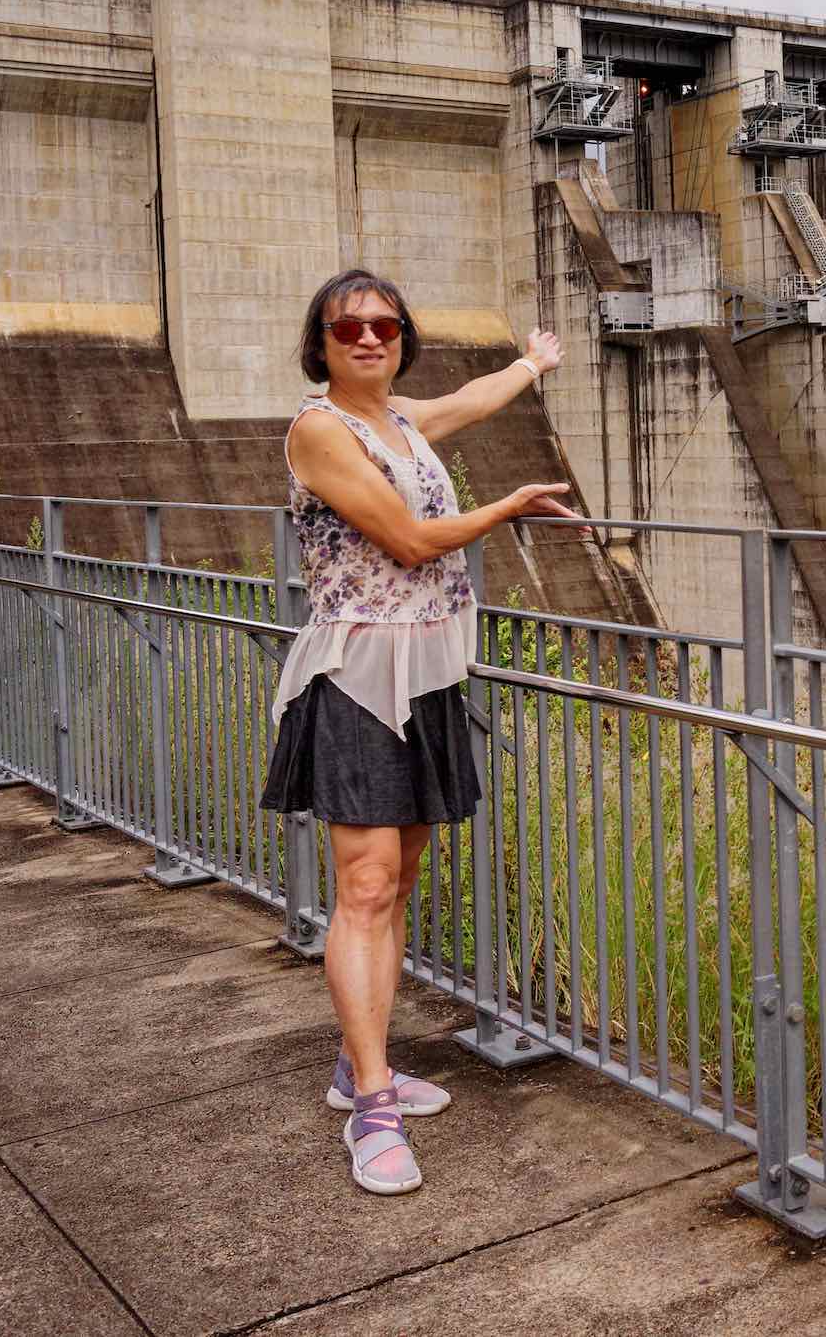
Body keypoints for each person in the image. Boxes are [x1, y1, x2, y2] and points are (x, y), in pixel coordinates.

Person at [260, 267, 580, 1195]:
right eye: (348, 326)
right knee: (362, 886)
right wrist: (509, 507)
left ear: (402, 337)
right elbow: (407, 540)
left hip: (428, 671)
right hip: (359, 676)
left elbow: (469, 403)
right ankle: (371, 1103)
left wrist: (529, 363)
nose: (368, 337)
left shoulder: (398, 422)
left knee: (396, 883)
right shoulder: (322, 430)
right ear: (319, 344)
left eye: (385, 325)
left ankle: (360, 1063)